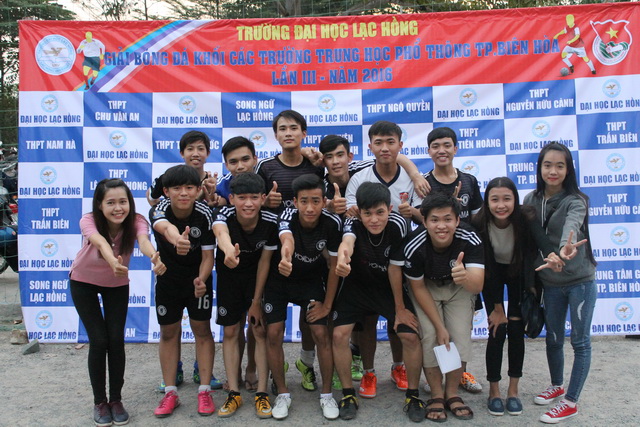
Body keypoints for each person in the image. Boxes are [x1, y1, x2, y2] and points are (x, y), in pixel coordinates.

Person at [69, 178, 165, 426]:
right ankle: (100, 402)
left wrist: (154, 257)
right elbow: (100, 242)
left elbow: (144, 241)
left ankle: (116, 400)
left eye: (123, 201)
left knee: (115, 340)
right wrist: (113, 261)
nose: (118, 208)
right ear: (99, 205)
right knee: (99, 340)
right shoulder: (88, 220)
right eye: (110, 202)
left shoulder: (137, 221)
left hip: (117, 285)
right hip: (83, 282)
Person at [249, 174, 341, 420]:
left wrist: (327, 305)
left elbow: (334, 266)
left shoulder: (332, 223)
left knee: (321, 332)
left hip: (310, 281)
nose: (309, 208)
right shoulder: (286, 216)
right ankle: (282, 393)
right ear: (295, 202)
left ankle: (326, 395)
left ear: (324, 202)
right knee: (273, 333)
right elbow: (286, 238)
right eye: (304, 201)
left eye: (315, 201)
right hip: (279, 280)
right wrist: (286, 256)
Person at [334, 182, 426, 422]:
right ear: (359, 212)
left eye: (380, 212)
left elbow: (396, 269)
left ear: (390, 209)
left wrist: (400, 309)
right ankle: (349, 393)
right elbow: (347, 243)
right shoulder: (352, 222)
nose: (374, 219)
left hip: (388, 286)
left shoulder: (399, 225)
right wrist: (343, 258)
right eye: (367, 213)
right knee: (339, 335)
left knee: (409, 335)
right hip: (357, 286)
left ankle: (413, 395)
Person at [344, 120, 423, 398]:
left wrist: (413, 212)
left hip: (399, 259)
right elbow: (351, 217)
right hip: (366, 260)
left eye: (391, 142)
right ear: (370, 146)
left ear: (400, 145)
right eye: (378, 142)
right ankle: (368, 372)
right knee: (367, 322)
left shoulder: (412, 178)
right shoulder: (359, 177)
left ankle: (398, 366)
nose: (385, 148)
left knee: (397, 321)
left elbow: (425, 217)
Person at [473, 177, 564, 417]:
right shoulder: (478, 221)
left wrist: (553, 255)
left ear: (515, 199)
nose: (501, 205)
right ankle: (494, 391)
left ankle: (513, 391)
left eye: (507, 199)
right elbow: (486, 270)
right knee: (496, 329)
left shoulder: (526, 217)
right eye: (494, 199)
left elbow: (543, 242)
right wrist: (495, 307)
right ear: (487, 201)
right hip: (491, 275)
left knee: (515, 331)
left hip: (519, 275)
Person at [523, 142, 596, 424]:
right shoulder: (530, 199)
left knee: (580, 341)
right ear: (540, 168)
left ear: (568, 170)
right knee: (553, 338)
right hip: (549, 282)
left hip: (579, 282)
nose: (553, 171)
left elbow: (572, 224)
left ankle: (571, 402)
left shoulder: (576, 200)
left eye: (559, 166)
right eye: (547, 165)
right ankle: (557, 385)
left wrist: (566, 247)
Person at [255, 110, 325, 393]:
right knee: (273, 326)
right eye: (282, 128)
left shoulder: (315, 165)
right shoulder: (266, 167)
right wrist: (265, 202)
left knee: (310, 317)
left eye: (293, 128)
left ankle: (306, 364)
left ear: (303, 133)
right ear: (275, 135)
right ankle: (276, 371)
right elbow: (250, 201)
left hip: (311, 254)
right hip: (275, 252)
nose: (288, 133)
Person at [147, 130, 221, 391]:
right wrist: (177, 239)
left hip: (198, 279)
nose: (183, 193)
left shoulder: (205, 213)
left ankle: (204, 381)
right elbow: (164, 226)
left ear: (198, 189)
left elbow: (208, 255)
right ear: (166, 191)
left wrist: (202, 279)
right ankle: (171, 381)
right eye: (176, 188)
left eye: (189, 188)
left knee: (202, 329)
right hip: (168, 280)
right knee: (169, 331)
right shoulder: (160, 207)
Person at [402, 192, 484, 421]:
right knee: (430, 335)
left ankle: (452, 393)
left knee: (459, 336)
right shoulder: (414, 245)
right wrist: (439, 327)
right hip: (427, 288)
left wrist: (464, 277)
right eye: (434, 220)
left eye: (448, 219)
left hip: (459, 287)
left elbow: (477, 285)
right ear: (424, 221)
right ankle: (436, 394)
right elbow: (418, 287)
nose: (441, 226)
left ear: (457, 220)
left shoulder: (470, 238)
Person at [424, 126, 484, 394]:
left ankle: (461, 373)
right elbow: (423, 220)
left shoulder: (469, 181)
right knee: (435, 329)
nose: (442, 150)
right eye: (436, 146)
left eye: (447, 145)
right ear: (428, 151)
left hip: (464, 261)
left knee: (461, 326)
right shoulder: (423, 183)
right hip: (435, 264)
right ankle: (436, 378)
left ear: (455, 148)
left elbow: (479, 219)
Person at [212, 172, 276, 418]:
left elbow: (265, 262)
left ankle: (261, 393)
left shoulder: (270, 221)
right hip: (229, 278)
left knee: (259, 330)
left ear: (263, 198)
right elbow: (221, 234)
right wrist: (229, 251)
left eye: (254, 197)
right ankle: (234, 393)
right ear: (231, 199)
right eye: (241, 198)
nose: (248, 203)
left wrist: (256, 301)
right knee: (230, 331)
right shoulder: (223, 215)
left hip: (257, 278)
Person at [214, 136, 260, 391]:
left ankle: (252, 368)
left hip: (261, 266)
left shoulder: (265, 177)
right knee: (233, 326)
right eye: (233, 162)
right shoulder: (220, 188)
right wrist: (228, 249)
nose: (240, 166)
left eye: (245, 159)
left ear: (255, 159)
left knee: (256, 324)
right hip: (230, 268)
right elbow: (219, 227)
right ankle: (234, 379)